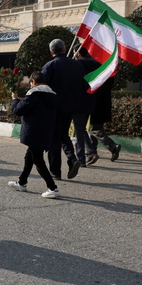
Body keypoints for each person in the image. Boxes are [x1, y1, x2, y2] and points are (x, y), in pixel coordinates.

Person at [7, 71, 60, 198]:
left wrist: (14, 100)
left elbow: (18, 110)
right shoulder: (53, 95)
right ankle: (22, 182)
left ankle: (52, 187)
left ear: (34, 82)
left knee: (38, 160)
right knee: (29, 156)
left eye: (31, 83)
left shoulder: (33, 94)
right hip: (46, 131)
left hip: (33, 131)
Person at [41, 38, 86, 180]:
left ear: (51, 51)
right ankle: (72, 159)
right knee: (63, 135)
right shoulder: (77, 65)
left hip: (54, 107)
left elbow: (42, 87)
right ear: (64, 49)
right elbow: (83, 85)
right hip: (72, 106)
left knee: (54, 138)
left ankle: (55, 171)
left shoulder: (50, 65)